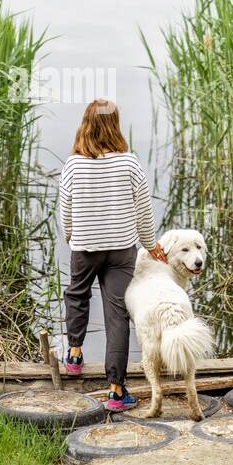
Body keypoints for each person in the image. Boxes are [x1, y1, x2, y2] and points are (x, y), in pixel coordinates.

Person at [58, 98, 165, 411]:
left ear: (86, 124)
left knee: (77, 294)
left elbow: (66, 212)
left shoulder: (73, 164)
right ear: (115, 125)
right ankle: (116, 391)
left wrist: (72, 237)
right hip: (121, 249)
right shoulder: (129, 163)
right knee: (117, 315)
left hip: (85, 247)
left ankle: (75, 354)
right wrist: (150, 244)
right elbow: (143, 211)